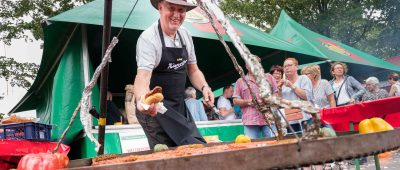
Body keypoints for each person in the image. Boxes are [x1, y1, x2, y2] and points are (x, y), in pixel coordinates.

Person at [133, 0, 214, 149]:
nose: (177, 15)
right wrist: (142, 100)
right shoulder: (149, 38)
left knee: (195, 149)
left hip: (178, 107)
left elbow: (193, 70)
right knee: (166, 155)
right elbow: (142, 77)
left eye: (181, 10)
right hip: (155, 110)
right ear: (160, 8)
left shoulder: (185, 36)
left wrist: (204, 87)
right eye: (172, 8)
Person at [233, 57, 278, 139]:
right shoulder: (240, 81)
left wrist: (268, 100)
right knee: (252, 148)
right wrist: (249, 101)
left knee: (272, 145)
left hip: (269, 118)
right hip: (250, 120)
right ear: (246, 66)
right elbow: (235, 101)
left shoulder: (269, 77)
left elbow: (276, 93)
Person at [278, 58, 313, 126]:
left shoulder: (303, 78)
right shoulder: (282, 84)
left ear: (297, 67)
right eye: (285, 66)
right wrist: (279, 90)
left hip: (305, 119)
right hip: (289, 121)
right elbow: (281, 104)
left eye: (289, 65)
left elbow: (307, 96)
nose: (287, 68)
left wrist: (292, 86)